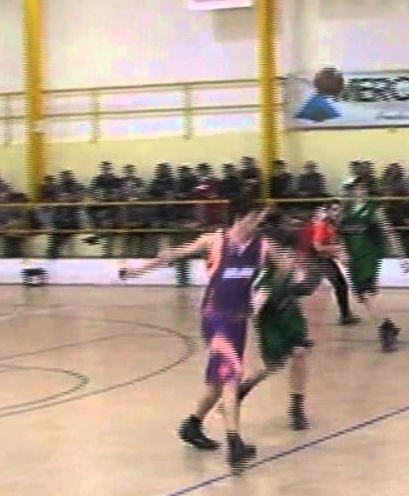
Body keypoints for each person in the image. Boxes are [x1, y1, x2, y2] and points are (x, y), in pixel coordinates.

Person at [119, 203, 289, 474]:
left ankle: (192, 425)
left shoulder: (263, 245)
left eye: (260, 219)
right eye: (254, 218)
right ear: (238, 217)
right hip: (216, 317)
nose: (257, 223)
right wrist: (137, 271)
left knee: (217, 383)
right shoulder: (215, 240)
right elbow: (173, 254)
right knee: (232, 375)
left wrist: (269, 289)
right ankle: (235, 442)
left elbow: (285, 267)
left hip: (239, 320)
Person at [235, 217, 316, 432]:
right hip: (272, 324)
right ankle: (240, 390)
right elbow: (256, 305)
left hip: (292, 318)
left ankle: (297, 407)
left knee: (300, 353)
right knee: (272, 367)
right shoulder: (266, 277)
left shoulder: (290, 267)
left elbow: (303, 283)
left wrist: (303, 281)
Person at [338, 179, 409, 352]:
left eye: (360, 188)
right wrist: (341, 251)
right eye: (353, 189)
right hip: (353, 259)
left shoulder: (374, 211)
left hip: (369, 257)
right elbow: (339, 235)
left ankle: (385, 331)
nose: (357, 191)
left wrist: (401, 257)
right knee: (362, 296)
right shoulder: (344, 212)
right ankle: (388, 325)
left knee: (367, 291)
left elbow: (389, 232)